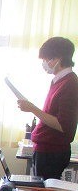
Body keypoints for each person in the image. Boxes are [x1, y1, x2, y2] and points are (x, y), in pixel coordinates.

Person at [18, 37, 78, 180]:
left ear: (58, 58)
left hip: (52, 152)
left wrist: (32, 108)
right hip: (45, 148)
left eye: (46, 59)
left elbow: (63, 125)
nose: (44, 63)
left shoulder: (70, 84)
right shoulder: (59, 81)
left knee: (44, 190)